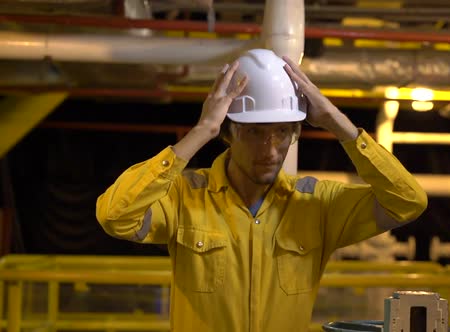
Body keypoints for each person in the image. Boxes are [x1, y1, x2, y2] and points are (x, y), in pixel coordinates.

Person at [96, 48, 427, 332]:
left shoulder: (317, 206)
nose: (270, 150)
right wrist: (200, 131)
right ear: (227, 133)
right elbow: (115, 216)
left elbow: (408, 202)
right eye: (255, 133)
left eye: (282, 132)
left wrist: (336, 121)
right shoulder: (184, 197)